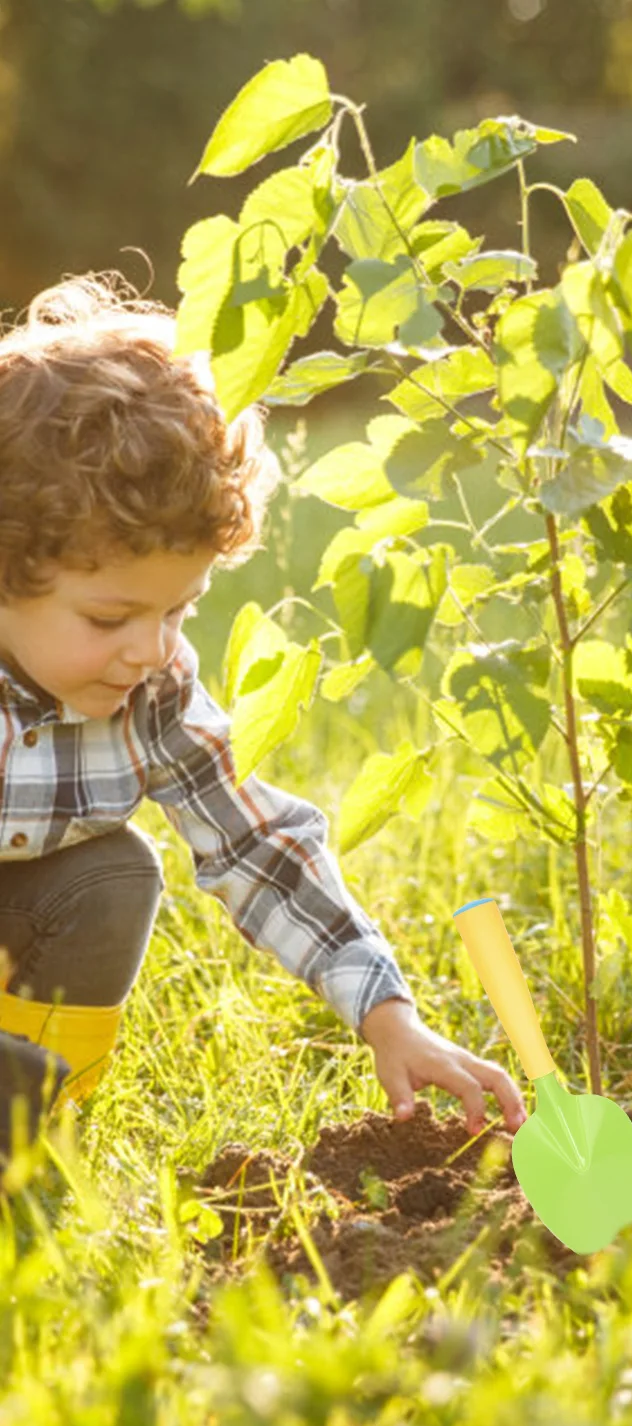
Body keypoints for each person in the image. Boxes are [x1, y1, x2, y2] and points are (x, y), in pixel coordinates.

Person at [0, 273, 527, 1150]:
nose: (151, 649)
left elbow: (256, 844)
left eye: (179, 609)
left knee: (112, 876)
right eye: (109, 618)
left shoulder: (151, 691)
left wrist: (387, 1013)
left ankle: (36, 1131)